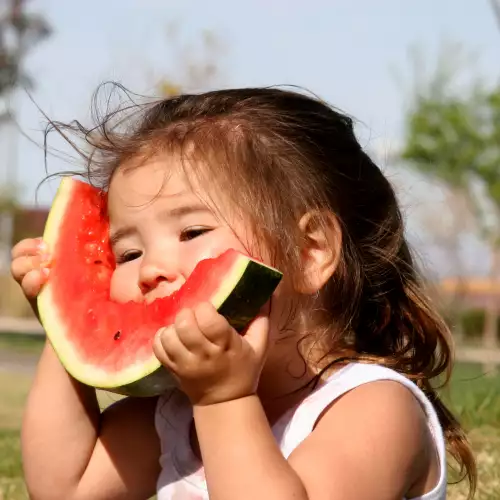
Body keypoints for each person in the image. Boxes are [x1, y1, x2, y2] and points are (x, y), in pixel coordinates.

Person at [11, 86, 476, 500]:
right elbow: (64, 488)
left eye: (192, 231)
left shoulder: (373, 408)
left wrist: (224, 402)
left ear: (311, 251)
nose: (150, 269)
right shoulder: (174, 416)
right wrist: (67, 318)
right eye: (128, 254)